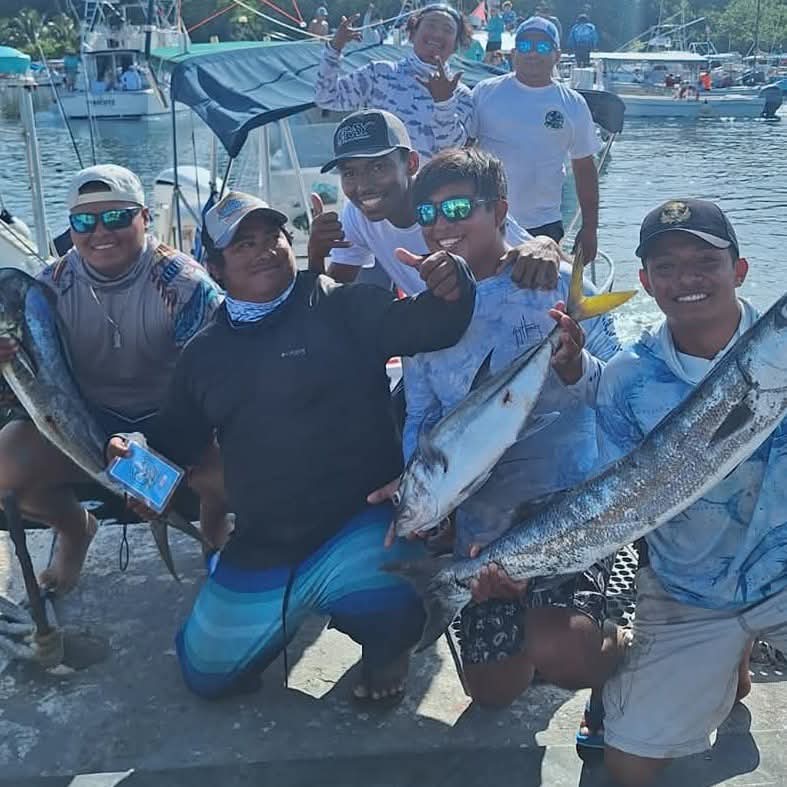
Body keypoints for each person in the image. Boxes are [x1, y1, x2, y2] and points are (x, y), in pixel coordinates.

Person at [106, 190, 477, 702]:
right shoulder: (204, 354)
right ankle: (266, 594)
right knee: (209, 677)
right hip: (266, 542)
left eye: (272, 237)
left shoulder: (344, 304)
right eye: (243, 245)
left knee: (400, 605)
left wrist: (454, 279)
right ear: (215, 267)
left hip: (360, 527)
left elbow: (436, 324)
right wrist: (132, 453)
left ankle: (384, 647)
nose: (264, 250)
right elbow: (173, 442)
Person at [372, 147, 625, 709]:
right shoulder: (425, 313)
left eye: (459, 207)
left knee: (567, 654)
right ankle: (540, 620)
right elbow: (421, 417)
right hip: (484, 523)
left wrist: (573, 365)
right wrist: (421, 491)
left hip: (567, 503)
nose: (442, 225)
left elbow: (621, 396)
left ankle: (622, 646)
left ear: (500, 210)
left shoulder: (554, 282)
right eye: (429, 213)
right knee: (491, 693)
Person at [558, 199, 783, 784]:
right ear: (645, 282)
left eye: (704, 261)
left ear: (739, 269)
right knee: (628, 770)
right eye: (666, 265)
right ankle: (719, 657)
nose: (686, 278)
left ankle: (733, 656)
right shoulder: (627, 380)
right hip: (688, 589)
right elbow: (613, 504)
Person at [0, 165, 224, 594]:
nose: (100, 231)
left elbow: (219, 382)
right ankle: (75, 530)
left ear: (143, 217)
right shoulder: (48, 288)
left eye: (117, 217)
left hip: (176, 424)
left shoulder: (186, 285)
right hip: (89, 427)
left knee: (236, 470)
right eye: (84, 221)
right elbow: (32, 392)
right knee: (5, 467)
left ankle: (213, 529)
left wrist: (160, 463)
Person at [309, 109, 566, 295]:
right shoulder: (356, 214)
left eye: (378, 167)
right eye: (350, 173)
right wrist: (316, 254)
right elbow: (332, 294)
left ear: (411, 164)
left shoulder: (449, 199)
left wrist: (545, 244)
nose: (364, 186)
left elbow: (548, 257)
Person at [469, 16, 601, 262]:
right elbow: (461, 149)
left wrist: (590, 228)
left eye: (542, 47)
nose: (533, 54)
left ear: (557, 55)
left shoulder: (572, 104)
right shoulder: (484, 93)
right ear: (513, 53)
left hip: (543, 225)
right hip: (488, 218)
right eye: (525, 47)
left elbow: (584, 170)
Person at [314, 4, 474, 162]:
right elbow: (326, 98)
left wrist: (444, 104)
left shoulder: (462, 95)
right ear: (412, 34)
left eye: (448, 30)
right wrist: (334, 49)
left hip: (429, 187)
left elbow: (453, 154)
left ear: (456, 45)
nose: (438, 34)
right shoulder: (379, 73)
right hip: (380, 185)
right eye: (431, 25)